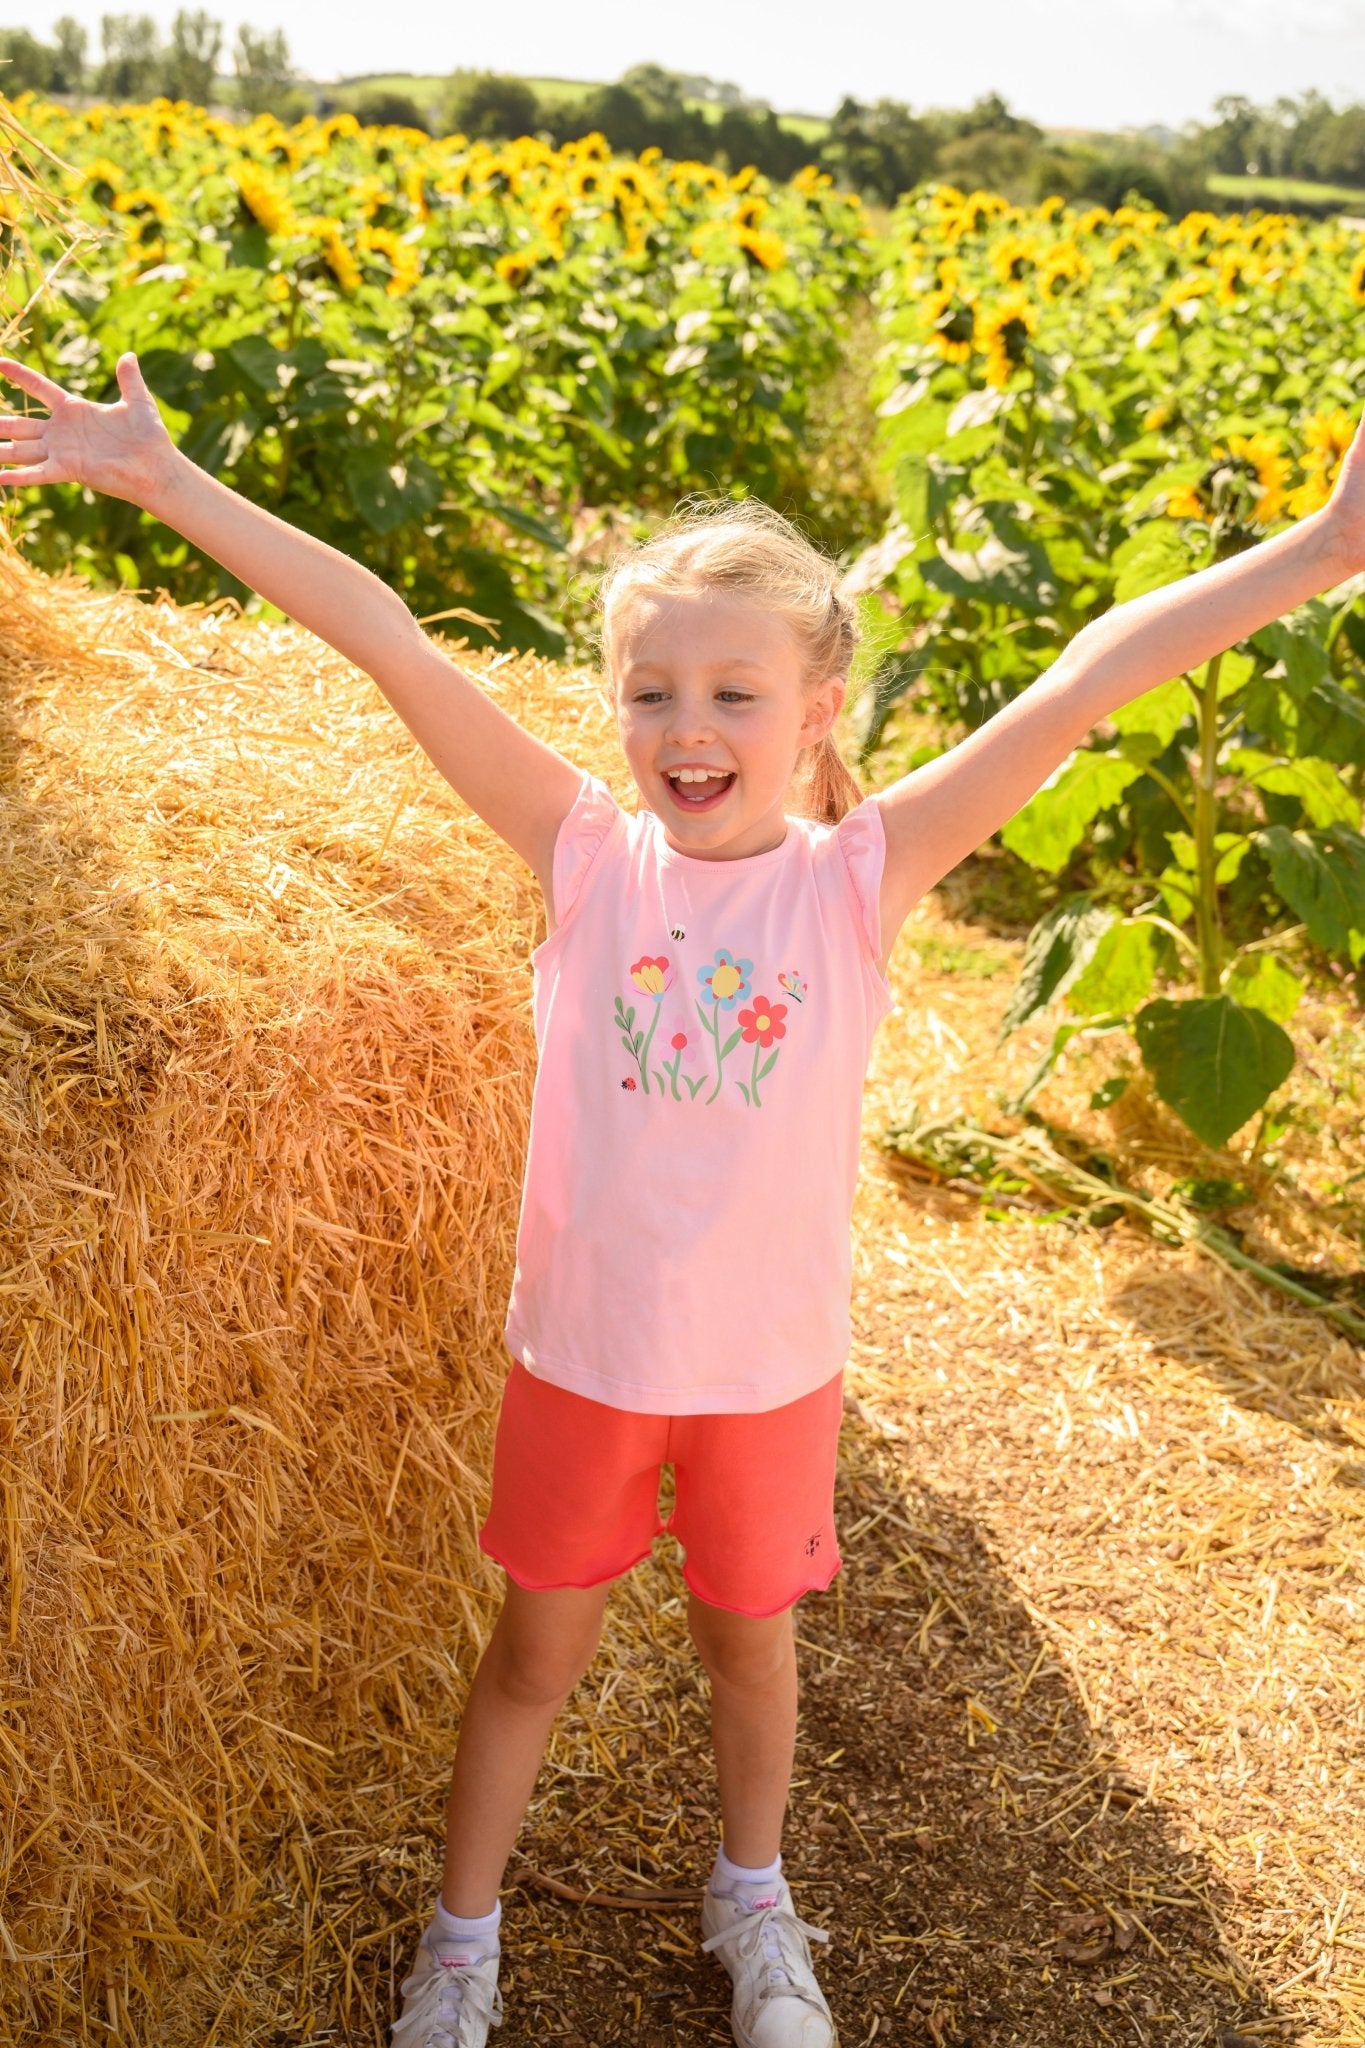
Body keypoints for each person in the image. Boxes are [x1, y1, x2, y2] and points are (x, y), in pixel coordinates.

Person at [1, 350, 1361, 2048]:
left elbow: (1081, 682)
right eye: (653, 693)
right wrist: (167, 485)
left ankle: (752, 1902)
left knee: (750, 1656)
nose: (689, 730)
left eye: (734, 694)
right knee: (531, 1664)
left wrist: (1317, 548)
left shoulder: (861, 882)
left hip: (766, 1373)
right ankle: (460, 1938)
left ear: (815, 717)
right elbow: (389, 640)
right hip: (583, 1357)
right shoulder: (580, 852)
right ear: (614, 708)